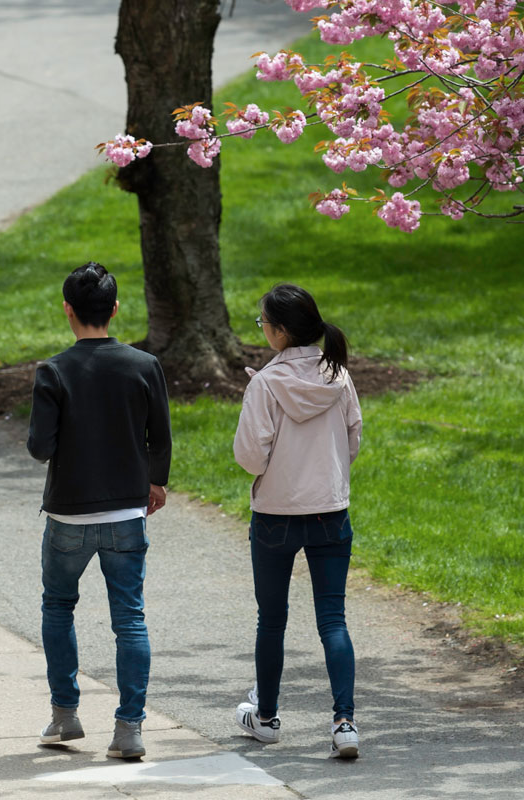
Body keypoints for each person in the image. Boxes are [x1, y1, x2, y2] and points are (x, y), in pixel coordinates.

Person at [26, 261, 172, 760]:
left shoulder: (53, 370)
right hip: (127, 515)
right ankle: (129, 729)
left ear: (67, 310)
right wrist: (156, 483)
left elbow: (39, 448)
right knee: (130, 619)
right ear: (114, 309)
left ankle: (65, 716)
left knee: (57, 607)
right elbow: (161, 437)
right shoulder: (144, 365)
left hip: (68, 515)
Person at [231, 283, 363, 759]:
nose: (262, 329)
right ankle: (344, 722)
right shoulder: (338, 376)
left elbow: (249, 455)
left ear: (282, 331)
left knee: (273, 619)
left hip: (275, 515)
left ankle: (266, 717)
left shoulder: (265, 384)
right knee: (333, 618)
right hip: (330, 509)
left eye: (263, 322)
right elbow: (353, 439)